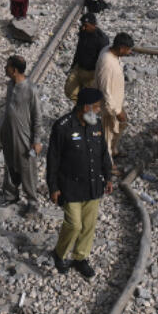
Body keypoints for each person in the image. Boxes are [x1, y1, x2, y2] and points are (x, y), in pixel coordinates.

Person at [45, 87, 114, 279]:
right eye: (97, 107)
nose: (99, 110)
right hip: (71, 186)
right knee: (74, 225)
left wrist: (108, 177)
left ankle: (80, 257)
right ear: (86, 107)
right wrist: (53, 187)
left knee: (88, 225)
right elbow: (53, 159)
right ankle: (59, 253)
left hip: (93, 185)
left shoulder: (96, 125)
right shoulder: (62, 127)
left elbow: (103, 153)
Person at [0, 55, 41, 211]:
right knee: (10, 164)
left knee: (27, 168)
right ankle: (10, 195)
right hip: (8, 133)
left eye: (7, 66)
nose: (5, 69)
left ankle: (32, 201)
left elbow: (37, 117)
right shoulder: (10, 85)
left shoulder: (31, 90)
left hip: (24, 136)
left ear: (14, 70)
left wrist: (36, 140)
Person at [94, 32, 133, 164]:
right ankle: (107, 165)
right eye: (128, 49)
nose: (129, 52)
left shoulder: (108, 51)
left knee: (121, 126)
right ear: (121, 48)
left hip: (117, 101)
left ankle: (114, 150)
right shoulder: (107, 63)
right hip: (110, 105)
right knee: (108, 135)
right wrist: (116, 111)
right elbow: (105, 90)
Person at [65, 13, 109, 102]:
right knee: (69, 90)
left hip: (91, 73)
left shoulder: (101, 39)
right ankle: (79, 107)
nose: (83, 28)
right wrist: (73, 65)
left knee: (88, 97)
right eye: (82, 25)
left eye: (86, 26)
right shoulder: (83, 32)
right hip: (78, 68)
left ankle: (84, 110)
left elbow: (103, 60)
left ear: (94, 25)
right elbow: (79, 49)